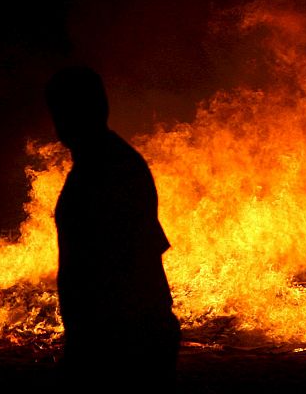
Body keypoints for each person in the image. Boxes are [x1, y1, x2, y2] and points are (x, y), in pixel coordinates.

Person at [46, 66, 180, 393]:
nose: (58, 121)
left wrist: (88, 347)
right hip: (121, 338)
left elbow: (113, 269)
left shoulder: (108, 170)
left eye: (64, 110)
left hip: (122, 343)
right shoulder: (107, 163)